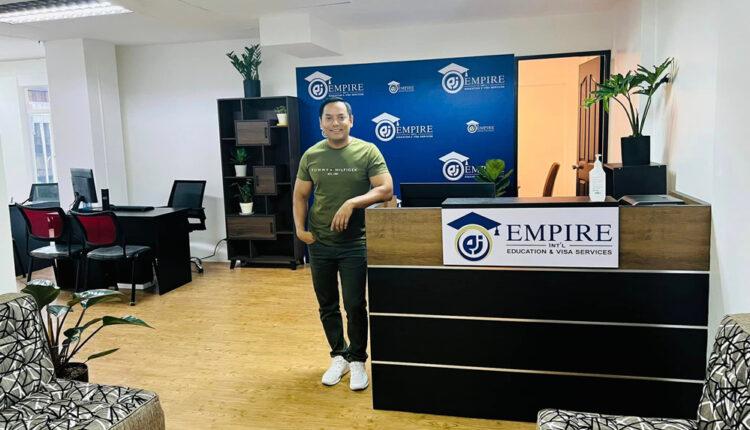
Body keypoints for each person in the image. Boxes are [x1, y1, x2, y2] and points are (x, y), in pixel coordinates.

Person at [293, 97, 393, 391]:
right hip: (319, 242)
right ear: (321, 123)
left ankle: (358, 359)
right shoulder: (312, 155)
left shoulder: (367, 150)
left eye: (340, 117)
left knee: (354, 304)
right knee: (327, 304)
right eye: (329, 118)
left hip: (354, 243)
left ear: (351, 120)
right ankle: (339, 356)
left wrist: (352, 202)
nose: (335, 123)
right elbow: (300, 195)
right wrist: (300, 230)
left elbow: (386, 188)